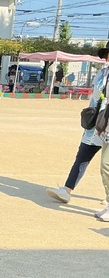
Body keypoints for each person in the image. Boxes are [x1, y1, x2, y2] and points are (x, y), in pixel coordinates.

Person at [46, 44, 109, 208]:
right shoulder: (102, 73)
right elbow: (95, 96)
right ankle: (67, 190)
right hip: (96, 122)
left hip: (107, 123)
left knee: (106, 164)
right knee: (82, 156)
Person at [93, 43, 109, 221]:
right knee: (103, 168)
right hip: (107, 123)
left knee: (106, 164)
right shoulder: (105, 73)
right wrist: (101, 126)